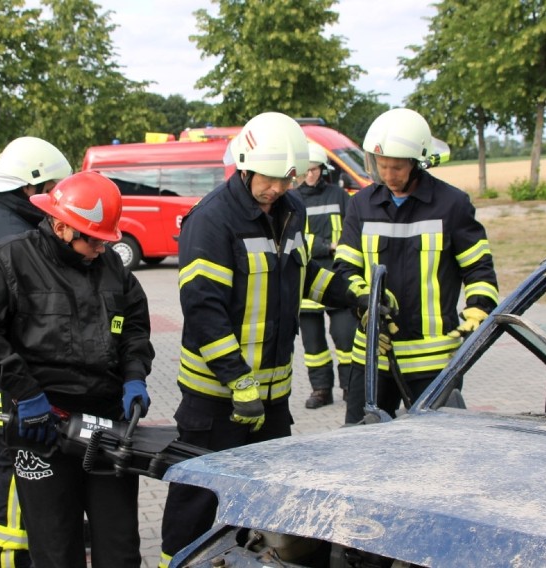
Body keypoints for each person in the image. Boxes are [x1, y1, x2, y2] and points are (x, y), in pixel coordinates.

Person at [157, 112, 351, 567]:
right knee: (200, 494)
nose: (279, 189)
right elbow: (204, 311)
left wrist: (352, 295)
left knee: (267, 494)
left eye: (288, 179)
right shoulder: (211, 220)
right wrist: (237, 380)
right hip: (216, 396)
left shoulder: (291, 211)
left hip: (272, 395)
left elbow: (299, 274)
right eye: (271, 179)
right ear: (244, 166)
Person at [0, 171, 154, 567]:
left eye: (105, 239)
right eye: (92, 239)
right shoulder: (10, 259)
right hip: (42, 426)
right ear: (61, 225)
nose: (100, 248)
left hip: (107, 426)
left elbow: (134, 329)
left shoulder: (111, 267)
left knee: (121, 549)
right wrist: (25, 392)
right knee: (55, 550)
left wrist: (134, 376)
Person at [333, 108, 499, 424]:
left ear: (418, 163)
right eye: (381, 166)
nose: (388, 174)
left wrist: (479, 310)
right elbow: (345, 272)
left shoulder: (452, 204)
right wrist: (365, 309)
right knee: (360, 447)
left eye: (396, 167)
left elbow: (479, 269)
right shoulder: (361, 205)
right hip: (372, 359)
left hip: (433, 364)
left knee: (438, 453)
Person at [0, 136, 72, 568]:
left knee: (17, 457)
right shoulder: (12, 235)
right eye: (55, 187)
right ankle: (8, 553)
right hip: (8, 379)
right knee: (17, 459)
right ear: (32, 189)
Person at [294, 142, 357, 409]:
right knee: (314, 346)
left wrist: (338, 247)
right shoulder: (292, 200)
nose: (310, 174)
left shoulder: (339, 195)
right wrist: (326, 246)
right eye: (306, 170)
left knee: (345, 339)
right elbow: (295, 240)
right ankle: (321, 390)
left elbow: (352, 228)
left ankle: (350, 388)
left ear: (323, 169)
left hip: (338, 278)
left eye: (315, 169)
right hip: (307, 282)